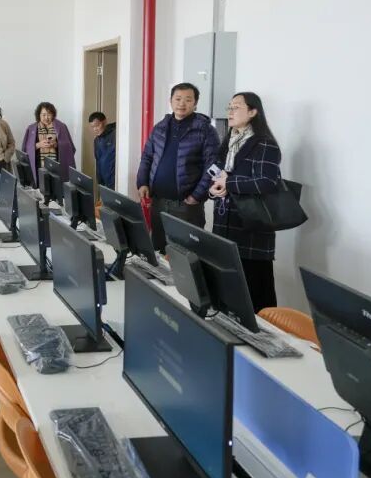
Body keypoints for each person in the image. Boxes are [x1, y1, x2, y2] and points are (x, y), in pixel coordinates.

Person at [208, 92, 283, 311]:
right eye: (229, 107)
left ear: (253, 112)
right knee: (226, 290)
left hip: (251, 227)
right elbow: (216, 174)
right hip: (225, 224)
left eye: (236, 107)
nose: (230, 112)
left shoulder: (265, 144)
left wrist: (229, 183)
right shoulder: (229, 141)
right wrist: (213, 190)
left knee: (254, 293)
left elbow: (267, 182)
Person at [136, 83, 218, 253]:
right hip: (158, 201)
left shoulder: (205, 130)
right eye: (178, 99)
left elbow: (213, 165)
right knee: (158, 251)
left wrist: (197, 195)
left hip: (186, 205)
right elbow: (147, 157)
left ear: (195, 103)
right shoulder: (160, 127)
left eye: (188, 100)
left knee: (185, 256)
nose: (182, 103)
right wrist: (142, 182)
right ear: (171, 101)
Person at [21, 102, 76, 185]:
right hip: (38, 167)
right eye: (43, 115)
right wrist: (38, 145)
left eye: (49, 114)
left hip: (58, 168)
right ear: (39, 115)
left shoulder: (61, 127)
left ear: (53, 114)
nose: (46, 117)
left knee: (57, 189)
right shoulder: (32, 128)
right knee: (41, 189)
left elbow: (70, 148)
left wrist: (56, 145)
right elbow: (25, 148)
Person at [88, 112, 117, 189]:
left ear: (104, 122)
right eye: (92, 127)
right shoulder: (96, 141)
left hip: (116, 181)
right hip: (104, 182)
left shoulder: (115, 135)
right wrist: (100, 183)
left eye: (97, 125)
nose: (95, 129)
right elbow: (98, 162)